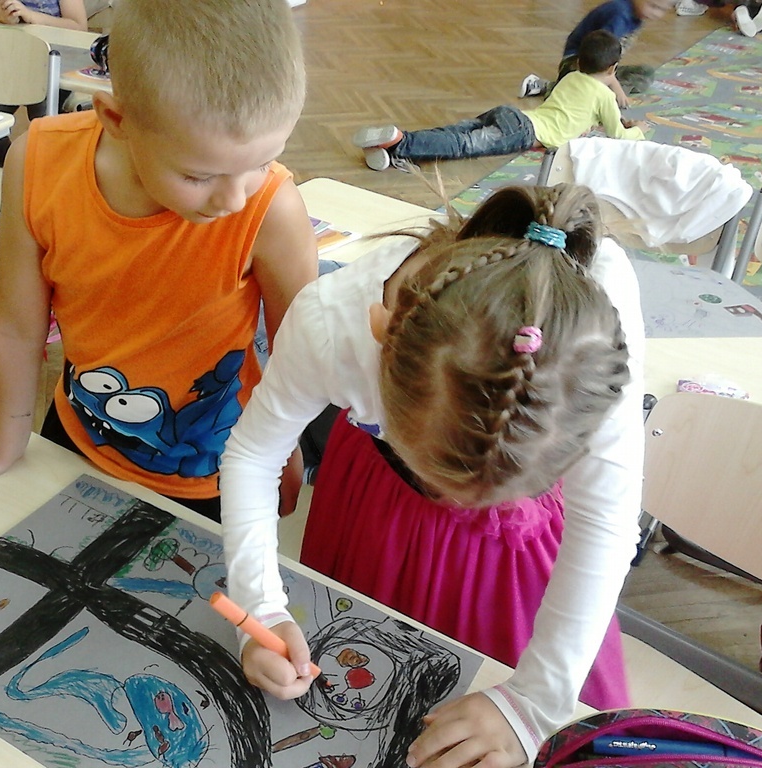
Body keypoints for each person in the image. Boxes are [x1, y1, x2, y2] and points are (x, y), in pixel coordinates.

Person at [220, 182, 645, 768]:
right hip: (380, 511)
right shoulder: (331, 323)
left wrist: (534, 702)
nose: (459, 502)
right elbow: (253, 455)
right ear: (381, 337)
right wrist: (260, 609)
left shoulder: (594, 348)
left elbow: (605, 522)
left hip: (514, 551)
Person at [0, 0, 318, 524]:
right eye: (199, 175)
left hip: (217, 473)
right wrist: (6, 442)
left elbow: (299, 357)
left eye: (262, 162)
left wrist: (284, 448)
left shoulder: (273, 210)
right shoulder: (39, 162)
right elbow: (17, 325)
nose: (233, 199)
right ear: (116, 119)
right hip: (76, 437)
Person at [353, 30, 648, 172]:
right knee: (463, 146)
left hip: (512, 114)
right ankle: (402, 142)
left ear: (579, 61)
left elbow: (575, 109)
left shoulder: (570, 77)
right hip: (523, 132)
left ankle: (393, 150)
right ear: (613, 68)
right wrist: (638, 130)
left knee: (456, 132)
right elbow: (618, 136)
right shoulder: (604, 96)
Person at [0, 0, 89, 164]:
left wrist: (32, 16)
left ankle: (39, 166)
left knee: (43, 127)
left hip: (52, 68)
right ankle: (11, 162)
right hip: (10, 65)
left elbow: (79, 26)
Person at [519, 0, 676, 105]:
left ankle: (596, 93)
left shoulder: (637, 15)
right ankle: (554, 89)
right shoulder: (619, 14)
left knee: (646, 73)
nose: (656, 13)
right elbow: (600, 54)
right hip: (579, 63)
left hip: (603, 68)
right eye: (653, 6)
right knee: (587, 95)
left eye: (662, 10)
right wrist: (616, 88)